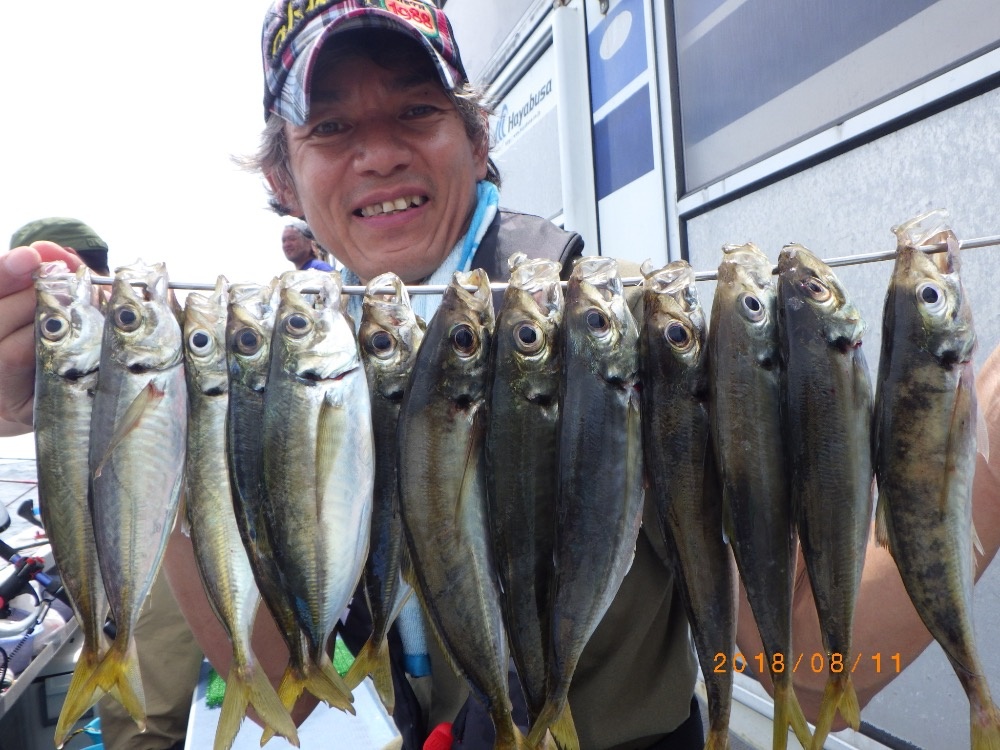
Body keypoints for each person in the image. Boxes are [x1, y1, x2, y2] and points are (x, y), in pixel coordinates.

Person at [1, 3, 998, 749]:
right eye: (330, 128)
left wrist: (986, 473)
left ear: (477, 142)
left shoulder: (609, 338)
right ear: (282, 177)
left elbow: (805, 668)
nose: (380, 152)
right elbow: (288, 683)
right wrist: (127, 427)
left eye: (417, 111)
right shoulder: (305, 369)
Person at [5, 218, 204, 750]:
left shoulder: (142, 319)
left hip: (162, 536)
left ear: (74, 260)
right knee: (142, 716)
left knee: (151, 720)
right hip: (145, 534)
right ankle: (107, 658)